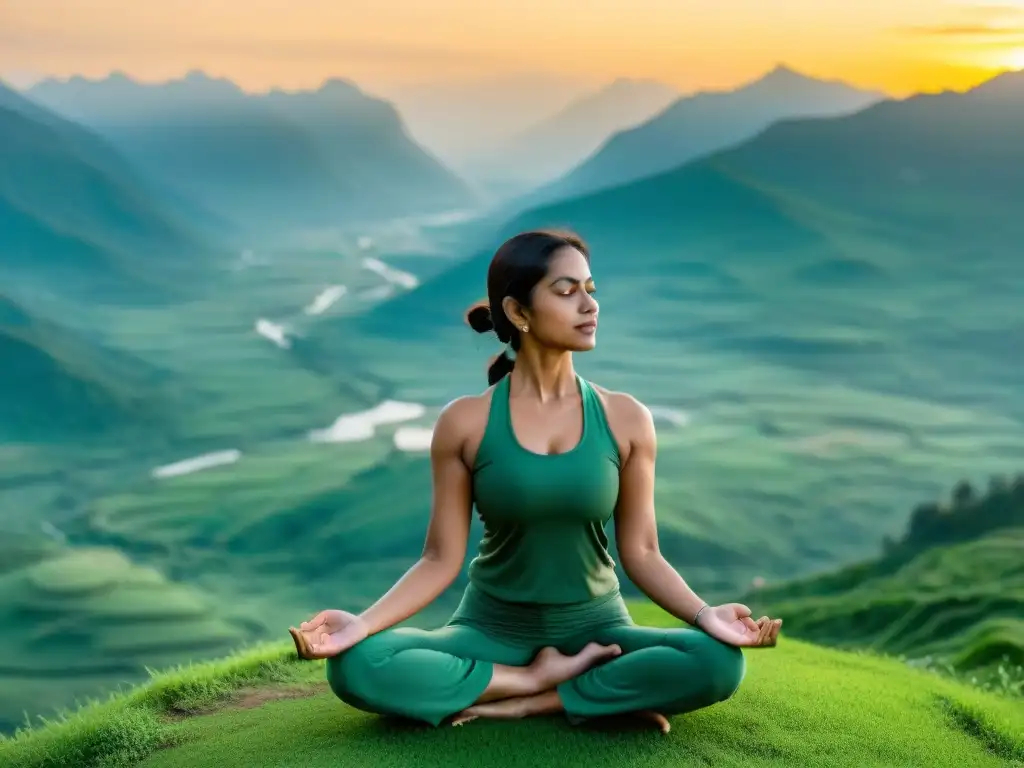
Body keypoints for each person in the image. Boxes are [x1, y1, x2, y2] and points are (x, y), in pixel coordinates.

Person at [289, 229, 782, 733]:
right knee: (356, 666)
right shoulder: (466, 423)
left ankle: (540, 699)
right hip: (489, 628)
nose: (589, 305)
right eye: (567, 291)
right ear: (519, 313)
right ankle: (532, 683)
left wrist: (705, 615)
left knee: (719, 663)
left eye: (591, 289)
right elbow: (439, 559)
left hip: (599, 632)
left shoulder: (626, 417)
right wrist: (363, 625)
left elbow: (645, 553)